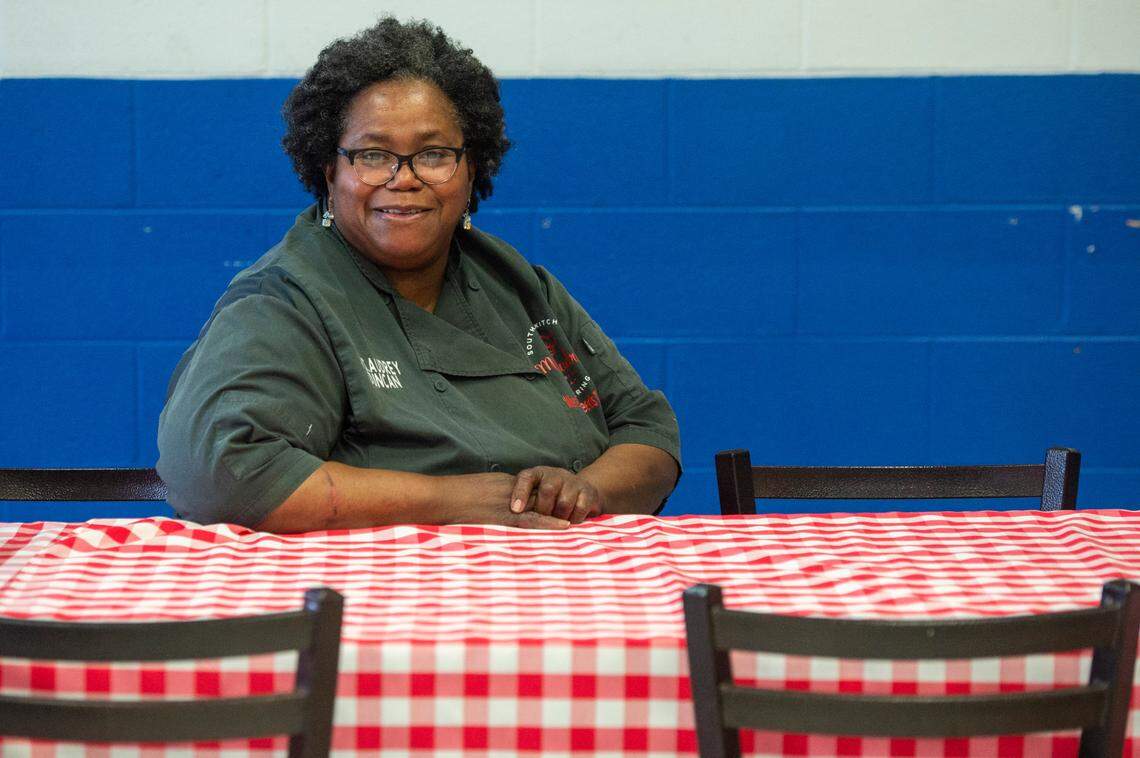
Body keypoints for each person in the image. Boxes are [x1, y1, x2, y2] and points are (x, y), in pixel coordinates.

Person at [157, 17, 681, 532]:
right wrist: (455, 500)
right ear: (328, 171)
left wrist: (587, 490)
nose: (402, 179)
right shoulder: (287, 299)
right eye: (373, 155)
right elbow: (222, 475)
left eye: (433, 155)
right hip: (373, 598)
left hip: (565, 586)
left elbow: (647, 428)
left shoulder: (519, 285)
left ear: (471, 167)